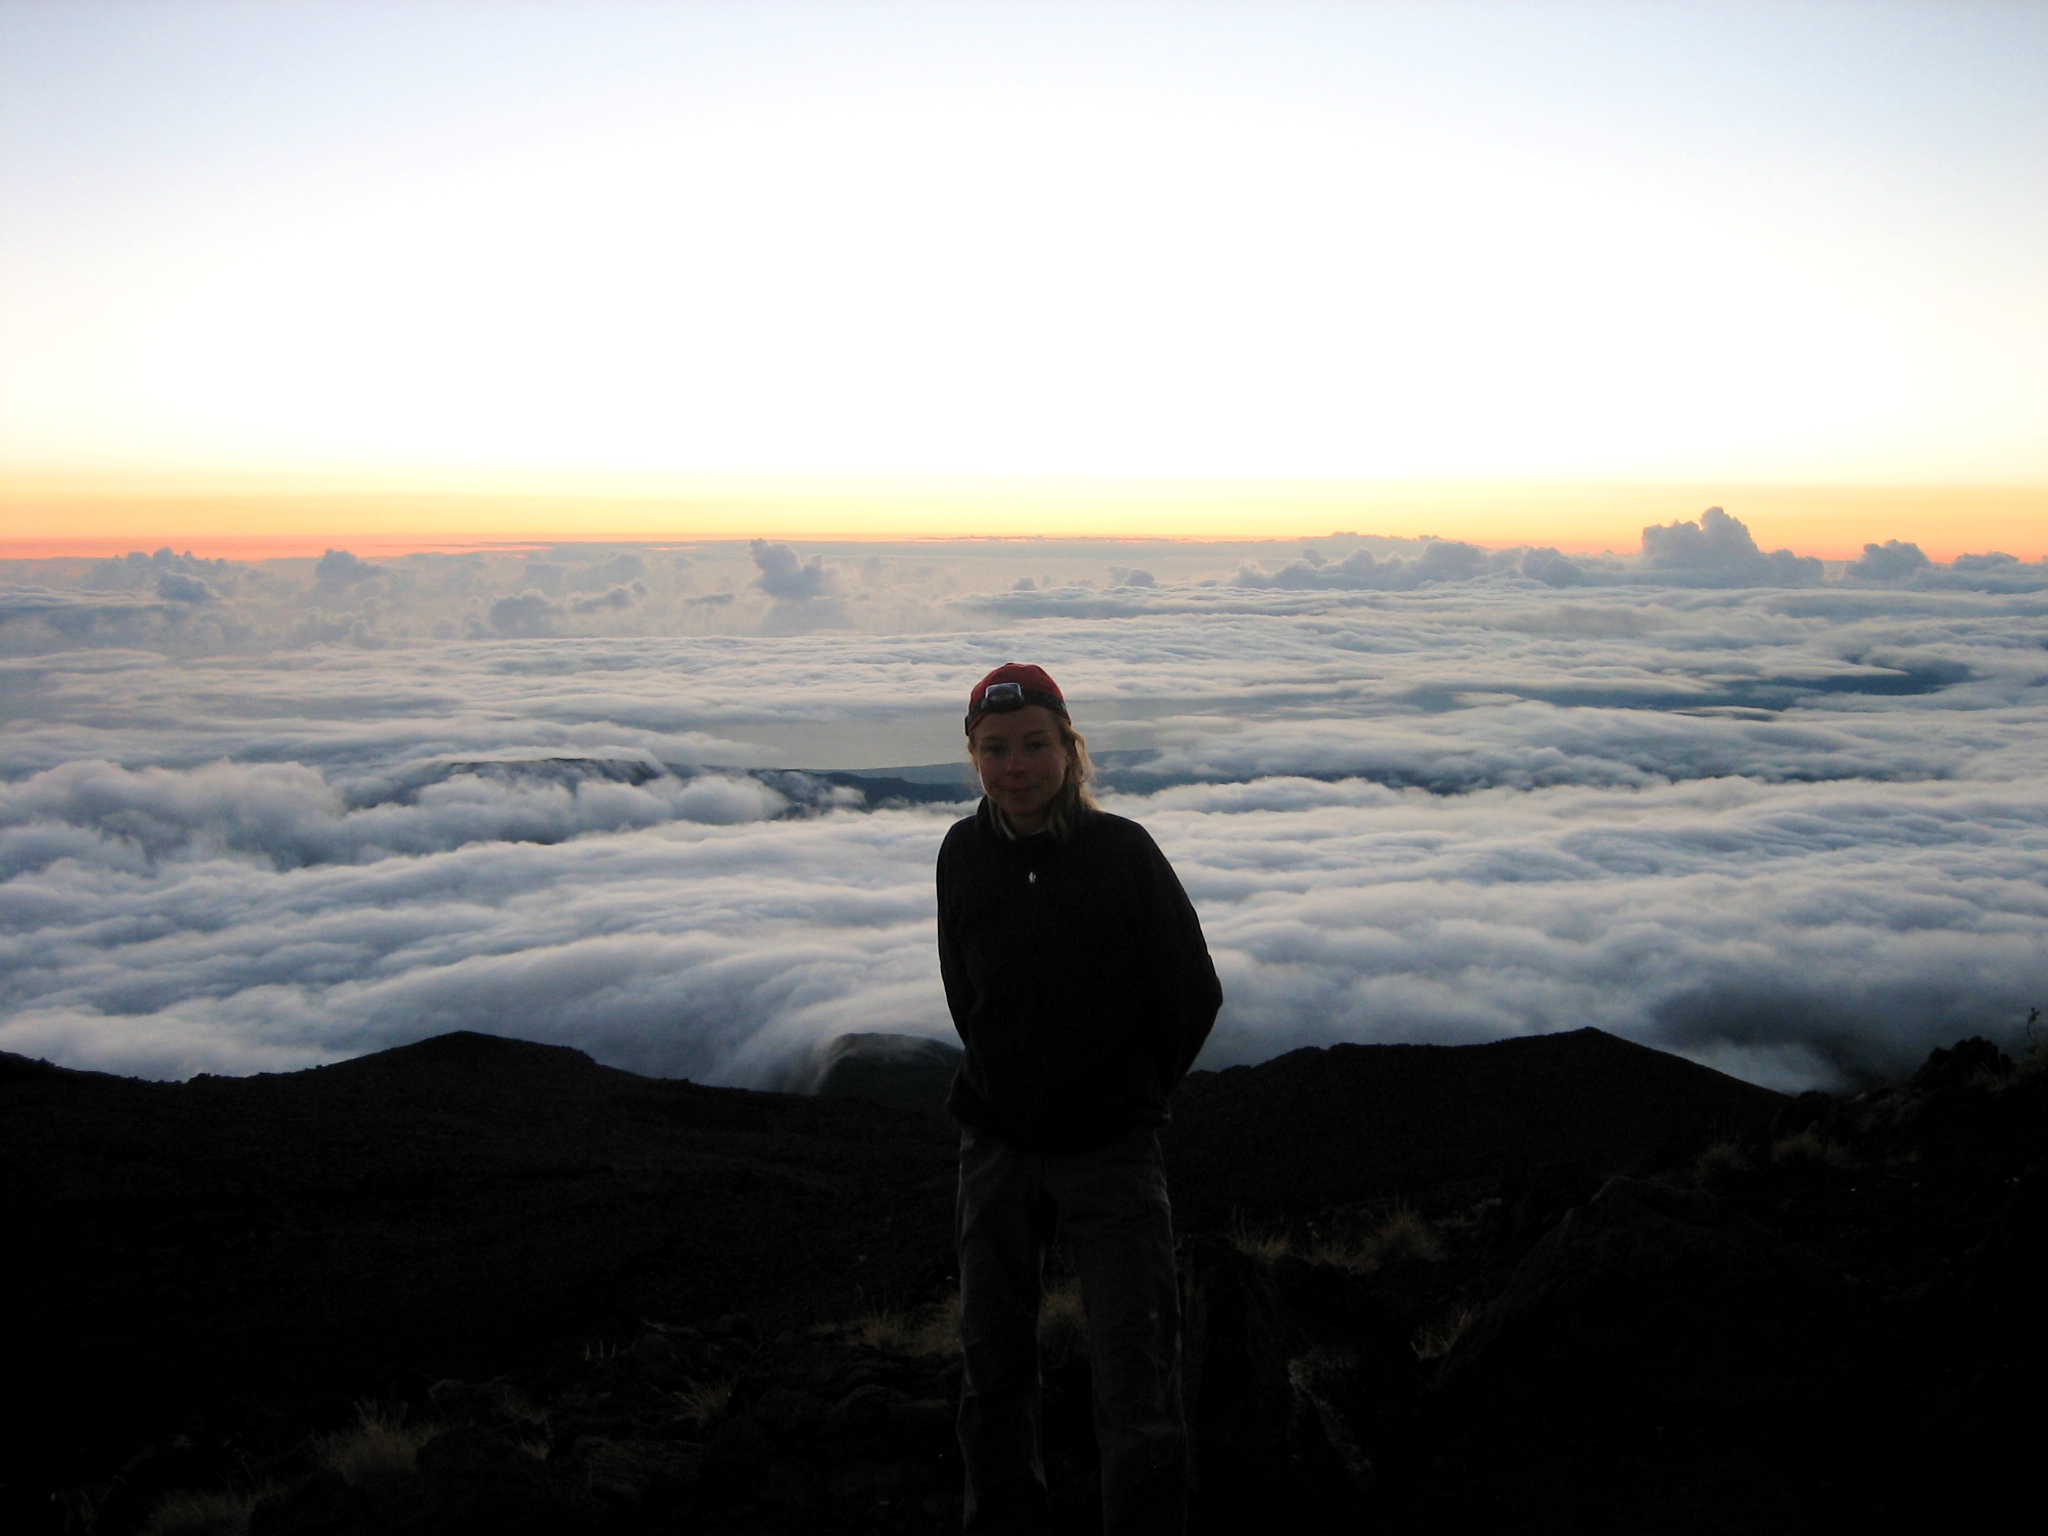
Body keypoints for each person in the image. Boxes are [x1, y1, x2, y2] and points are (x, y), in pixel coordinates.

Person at [937, 662, 1223, 1536]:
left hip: (1110, 1152)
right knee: (992, 1365)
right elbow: (964, 990)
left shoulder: (1121, 854)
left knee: (1134, 1369)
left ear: (1070, 749)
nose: (1015, 766)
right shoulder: (963, 853)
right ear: (973, 755)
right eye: (996, 750)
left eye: (1034, 746)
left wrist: (1131, 1098)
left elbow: (1191, 993)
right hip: (996, 1148)